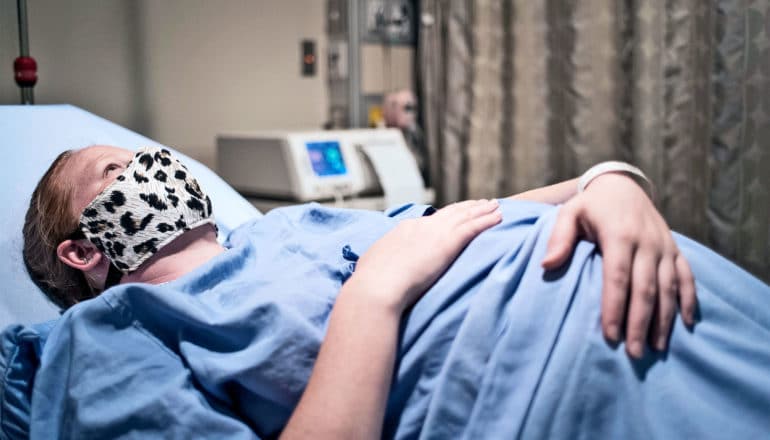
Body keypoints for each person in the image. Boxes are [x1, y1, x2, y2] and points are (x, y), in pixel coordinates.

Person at [21, 145, 712, 438]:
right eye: (118, 169)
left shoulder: (285, 227)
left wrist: (610, 181)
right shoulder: (104, 338)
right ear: (82, 249)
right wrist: (372, 295)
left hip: (647, 277)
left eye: (148, 157)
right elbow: (397, 264)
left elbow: (466, 218)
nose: (153, 168)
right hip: (572, 380)